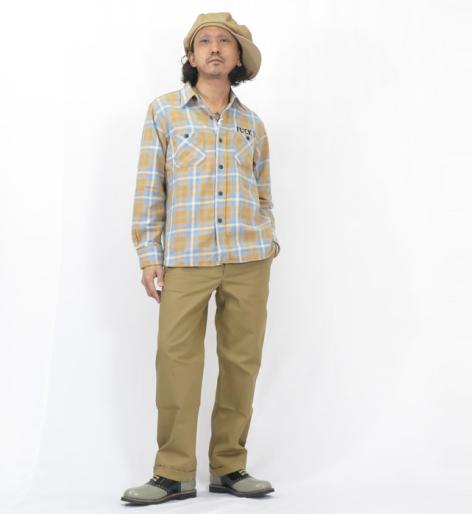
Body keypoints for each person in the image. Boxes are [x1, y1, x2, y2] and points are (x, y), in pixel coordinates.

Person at [121, 12, 280, 506]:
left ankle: (230, 466)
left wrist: (268, 239)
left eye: (224, 42)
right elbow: (150, 187)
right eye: (204, 41)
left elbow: (263, 193)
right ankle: (173, 473)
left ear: (237, 57)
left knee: (241, 364)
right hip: (186, 258)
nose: (214, 48)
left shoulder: (252, 124)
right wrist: (149, 254)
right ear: (191, 56)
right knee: (176, 362)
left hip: (248, 258)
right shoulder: (164, 112)